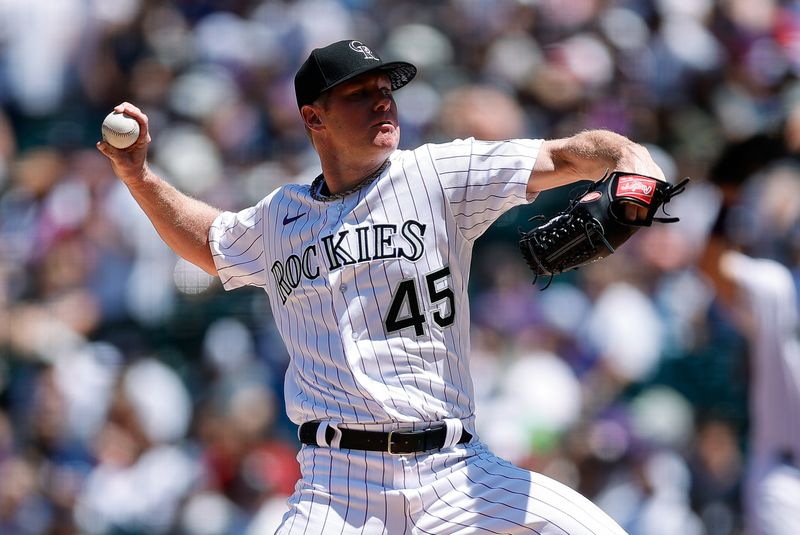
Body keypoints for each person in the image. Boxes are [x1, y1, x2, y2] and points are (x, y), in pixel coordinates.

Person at [98, 39, 667, 534]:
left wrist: (632, 161)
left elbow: (563, 155)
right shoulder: (279, 219)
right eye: (358, 93)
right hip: (337, 487)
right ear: (313, 118)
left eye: (386, 89)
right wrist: (138, 177)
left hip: (456, 471)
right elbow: (209, 242)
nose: (382, 101)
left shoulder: (438, 175)